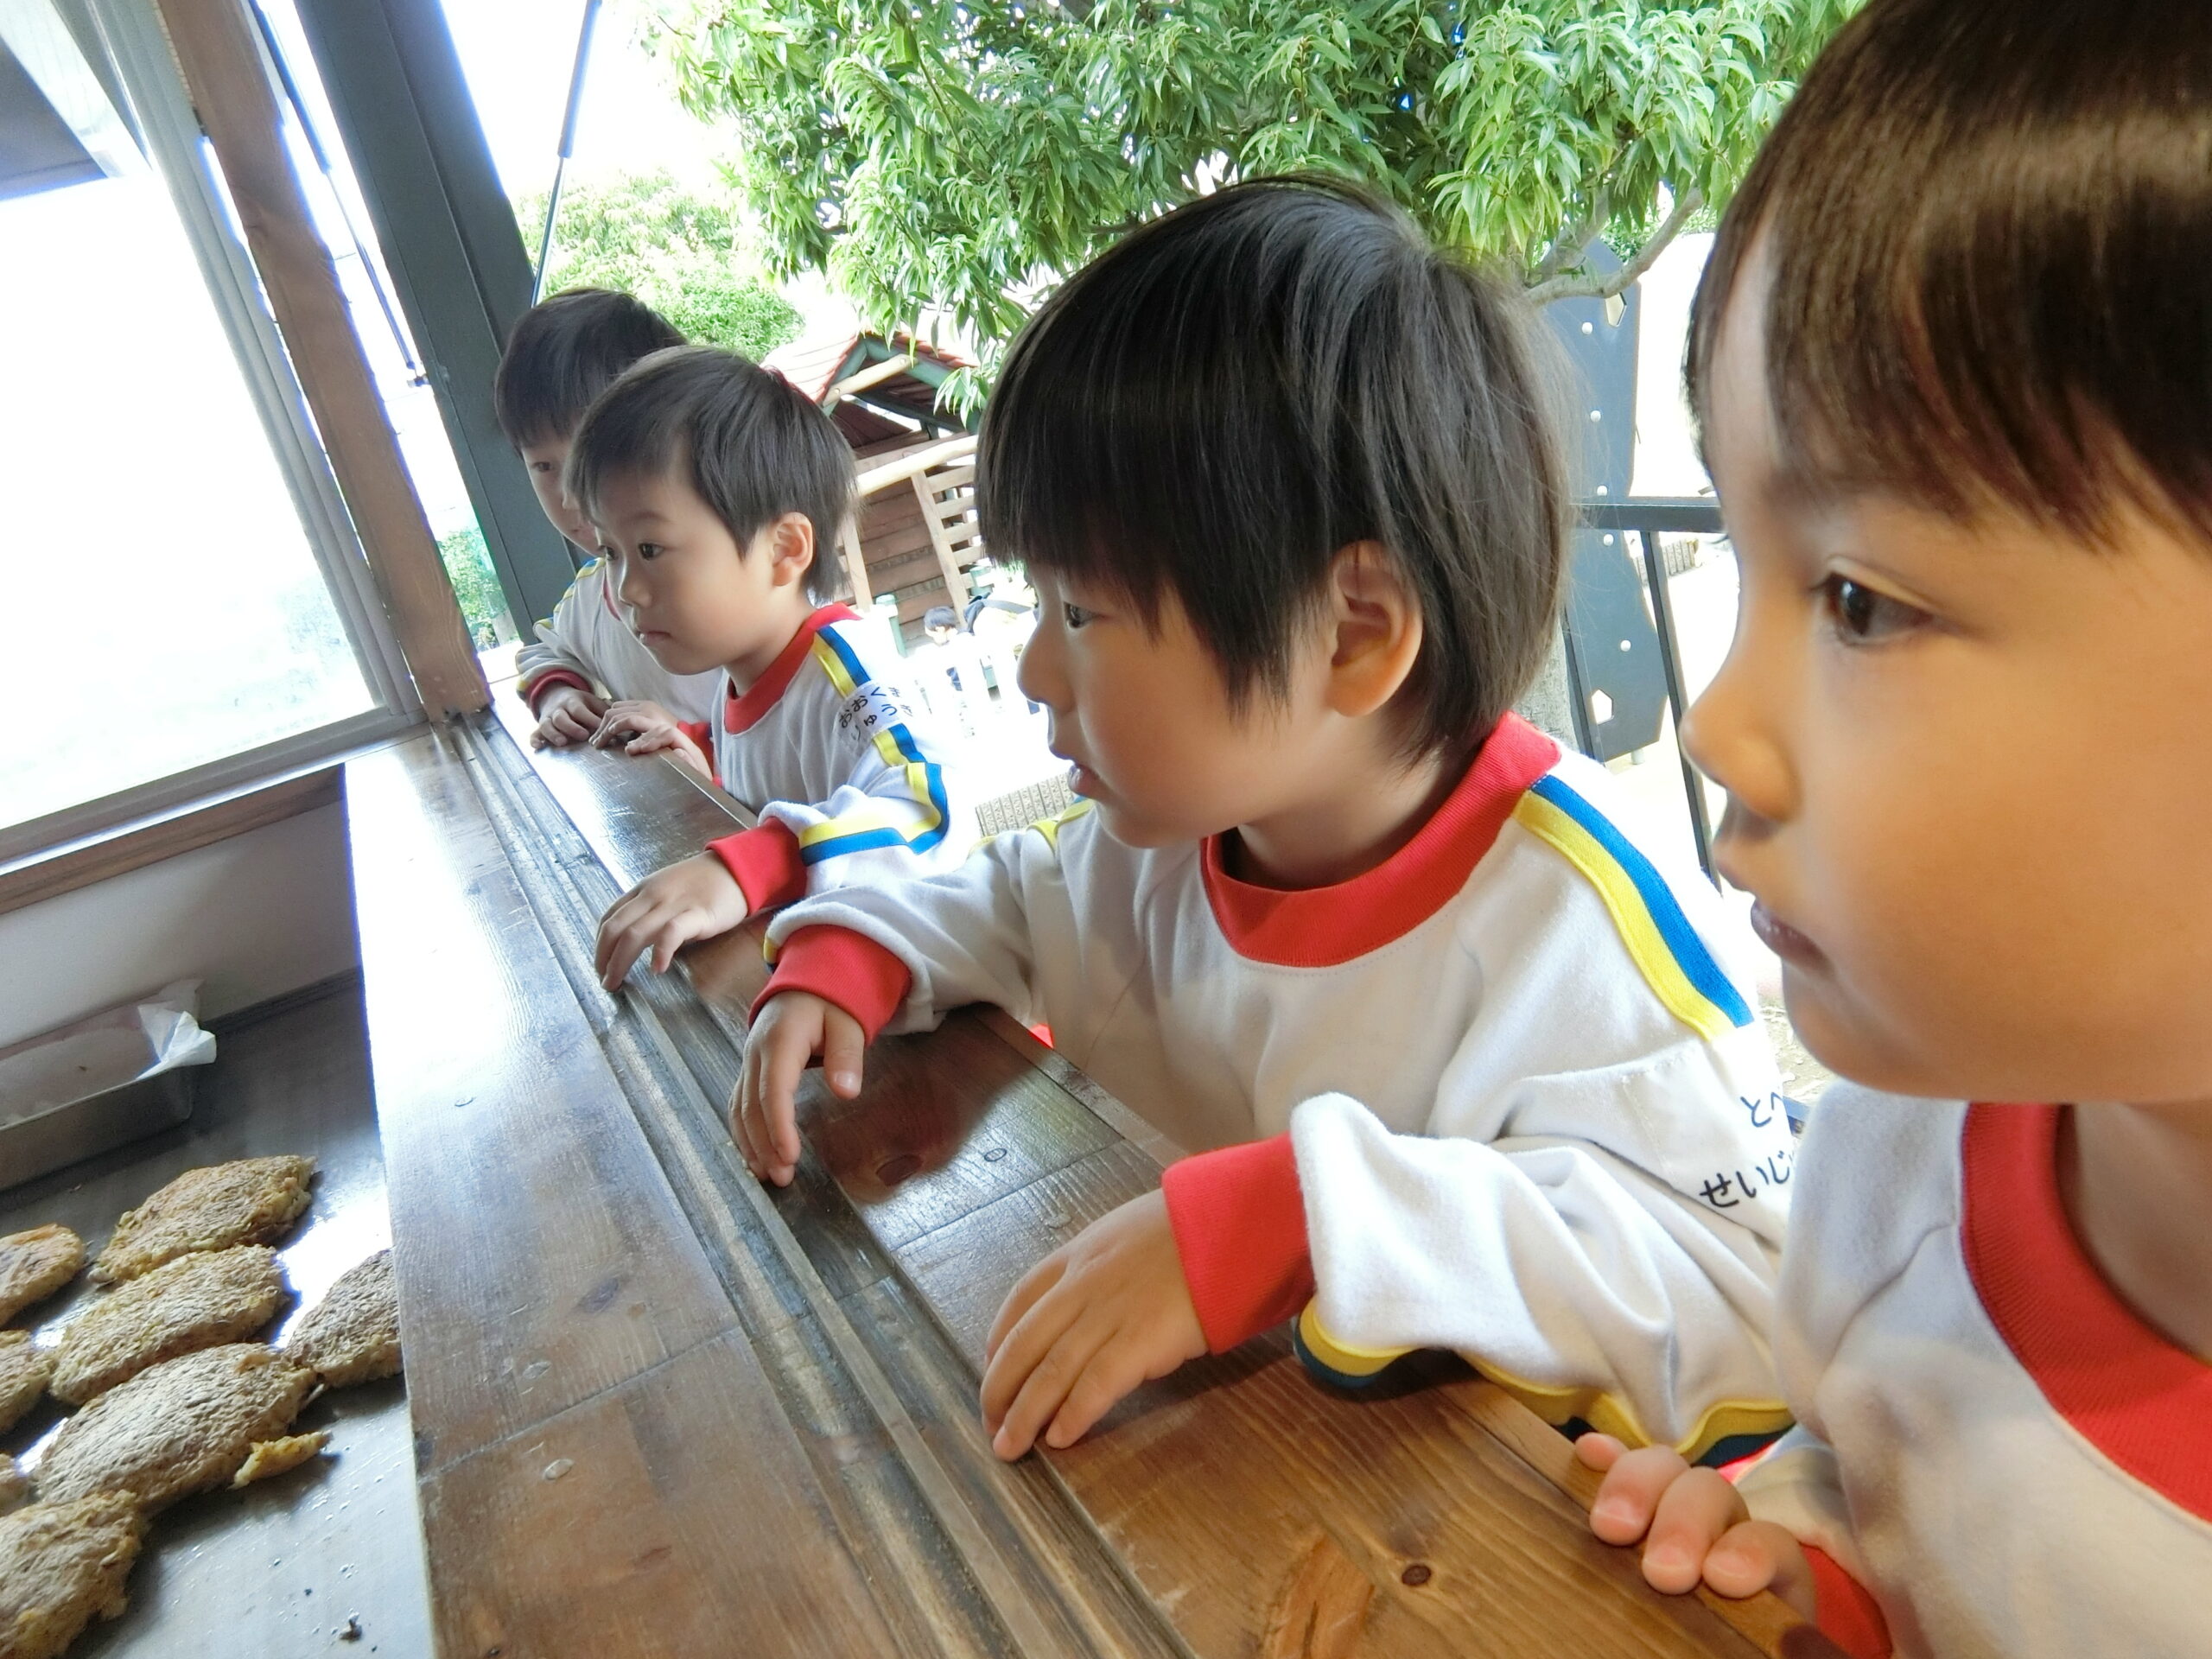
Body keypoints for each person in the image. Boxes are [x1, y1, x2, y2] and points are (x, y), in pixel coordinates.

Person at [738, 179, 1796, 1465]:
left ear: (1352, 634)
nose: (1033, 672)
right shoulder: (1154, 856)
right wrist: (855, 949)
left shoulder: (1585, 928)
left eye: (1080, 612)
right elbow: (1006, 896)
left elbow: (1745, 1300)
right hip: (1253, 1472)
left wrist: (1308, 1220)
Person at [1572, 4, 2212, 1655]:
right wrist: (1815, 1578)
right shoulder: (1892, 1173)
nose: (1716, 726)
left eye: (1859, 599)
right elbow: (1895, 1505)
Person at [582, 347, 977, 989]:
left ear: (784, 549)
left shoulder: (847, 674)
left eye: (650, 548)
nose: (626, 588)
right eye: (611, 551)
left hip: (930, 1001)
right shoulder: (740, 674)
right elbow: (774, 764)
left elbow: (933, 811)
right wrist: (700, 746)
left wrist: (748, 867)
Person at [491, 287, 723, 747]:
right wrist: (559, 695)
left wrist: (687, 738)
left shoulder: (730, 584)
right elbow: (546, 651)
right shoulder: (591, 597)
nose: (570, 494)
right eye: (544, 466)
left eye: (588, 460)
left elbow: (782, 723)